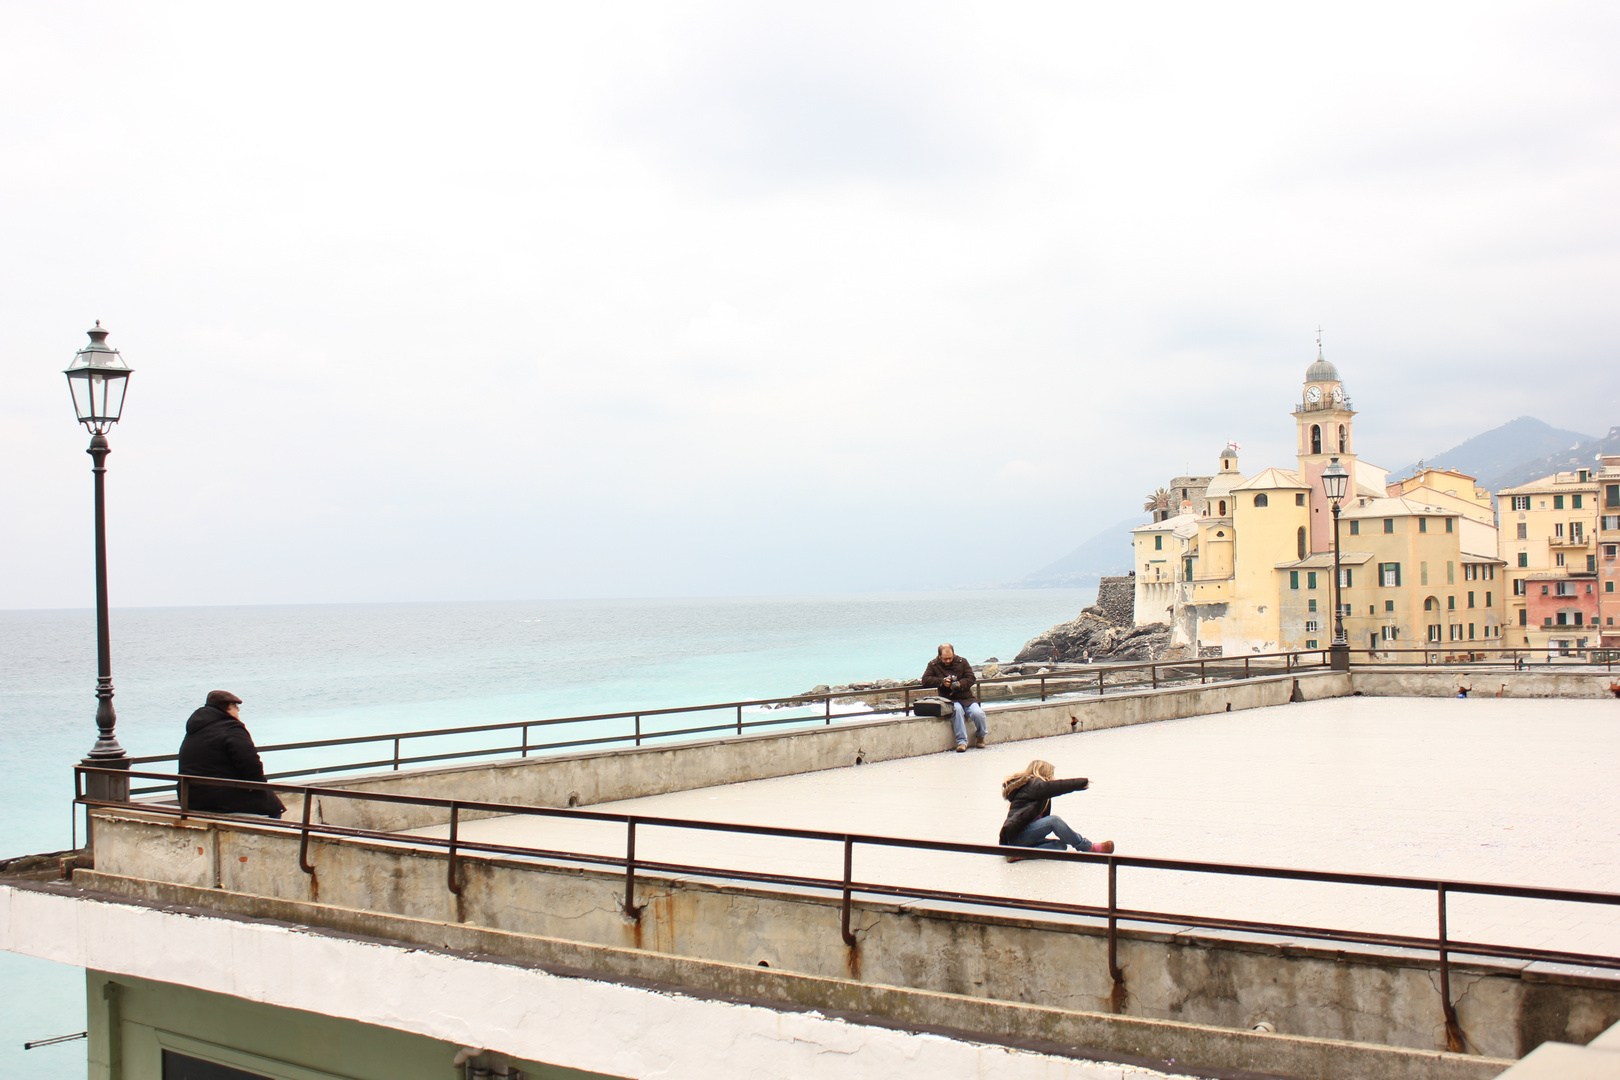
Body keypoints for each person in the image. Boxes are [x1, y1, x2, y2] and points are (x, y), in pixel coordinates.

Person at [177, 690, 285, 818]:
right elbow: (251, 766)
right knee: (275, 810)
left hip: (191, 798)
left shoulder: (195, 729)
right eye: (235, 706)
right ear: (228, 707)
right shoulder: (231, 728)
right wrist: (260, 788)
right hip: (222, 799)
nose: (238, 710)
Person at [999, 759, 1112, 859]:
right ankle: (1088, 847)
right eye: (1051, 775)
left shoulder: (1037, 792)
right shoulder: (1032, 785)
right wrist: (1080, 783)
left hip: (1020, 841)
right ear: (1044, 773)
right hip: (1015, 838)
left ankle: (1021, 854)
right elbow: (1054, 787)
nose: (1054, 778)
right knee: (1054, 821)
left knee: (1060, 846)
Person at [921, 643, 988, 752]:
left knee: (978, 713)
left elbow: (971, 678)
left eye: (950, 658)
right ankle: (962, 742)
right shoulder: (933, 665)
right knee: (957, 711)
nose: (948, 661)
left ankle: (981, 736)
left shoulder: (962, 662)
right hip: (949, 699)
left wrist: (960, 684)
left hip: (966, 697)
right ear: (939, 656)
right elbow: (926, 680)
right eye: (945, 659)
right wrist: (942, 682)